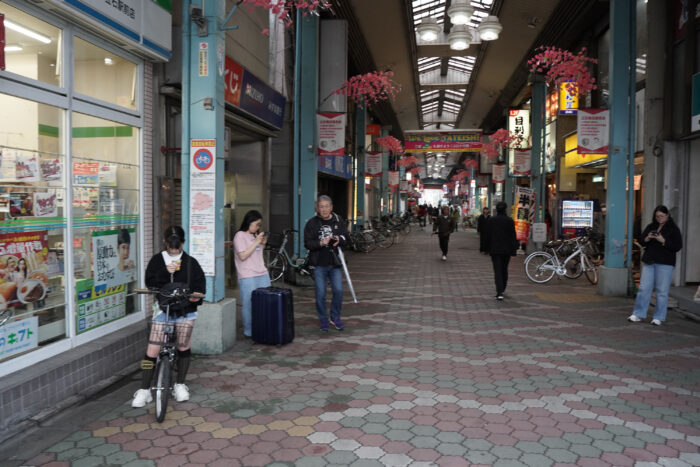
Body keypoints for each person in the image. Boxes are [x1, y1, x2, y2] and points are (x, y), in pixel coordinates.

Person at [132, 226, 206, 408]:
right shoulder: (157, 260)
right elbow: (150, 283)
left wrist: (197, 295)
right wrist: (165, 271)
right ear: (165, 243)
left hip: (185, 310)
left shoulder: (191, 263)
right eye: (171, 246)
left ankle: (180, 384)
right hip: (162, 309)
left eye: (177, 246)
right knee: (152, 350)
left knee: (183, 346)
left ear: (183, 243)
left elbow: (200, 285)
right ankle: (144, 389)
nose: (173, 250)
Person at [628, 205, 683, 325]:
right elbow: (641, 240)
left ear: (667, 215)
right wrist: (648, 238)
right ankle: (638, 314)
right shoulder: (651, 226)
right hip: (650, 261)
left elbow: (677, 246)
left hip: (665, 263)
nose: (659, 219)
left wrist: (663, 241)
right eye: (657, 216)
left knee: (662, 291)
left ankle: (659, 317)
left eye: (662, 216)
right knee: (643, 288)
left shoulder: (673, 229)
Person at [304, 195, 349, 332]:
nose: (324, 209)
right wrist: (320, 242)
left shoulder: (338, 220)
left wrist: (339, 239)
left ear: (331, 207)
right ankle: (323, 319)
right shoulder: (311, 223)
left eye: (326, 206)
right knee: (320, 294)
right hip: (319, 264)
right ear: (317, 208)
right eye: (321, 206)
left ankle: (335, 317)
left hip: (334, 263)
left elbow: (346, 237)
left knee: (338, 291)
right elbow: (307, 243)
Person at [233, 210, 271, 338]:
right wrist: (256, 242)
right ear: (249, 222)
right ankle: (249, 331)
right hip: (247, 274)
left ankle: (263, 327)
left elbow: (257, 254)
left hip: (262, 272)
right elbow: (243, 256)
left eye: (259, 225)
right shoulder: (239, 236)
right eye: (256, 224)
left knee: (266, 302)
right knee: (249, 304)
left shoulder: (255, 236)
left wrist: (262, 244)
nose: (258, 227)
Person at [484, 201, 517, 301]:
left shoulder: (491, 220)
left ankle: (499, 292)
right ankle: (503, 288)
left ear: (497, 210)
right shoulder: (509, 220)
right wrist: (513, 250)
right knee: (504, 269)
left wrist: (486, 248)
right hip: (506, 250)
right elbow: (513, 236)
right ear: (505, 209)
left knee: (497, 270)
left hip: (495, 249)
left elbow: (487, 235)